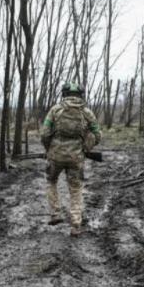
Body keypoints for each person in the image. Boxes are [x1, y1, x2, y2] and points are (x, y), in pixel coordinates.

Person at [40, 82, 102, 237]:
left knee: (51, 181)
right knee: (75, 189)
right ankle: (75, 225)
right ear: (81, 95)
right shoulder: (87, 112)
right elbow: (98, 134)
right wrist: (86, 147)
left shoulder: (55, 110)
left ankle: (55, 213)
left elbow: (45, 133)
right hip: (76, 157)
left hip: (55, 155)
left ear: (64, 94)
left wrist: (49, 150)